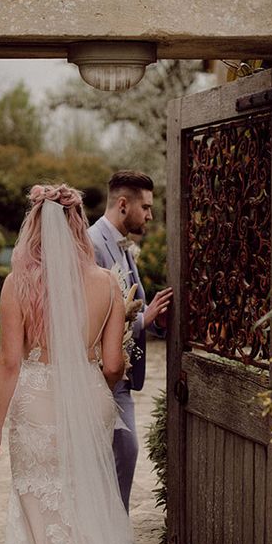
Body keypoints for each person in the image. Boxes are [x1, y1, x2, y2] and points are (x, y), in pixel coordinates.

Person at [0, 183, 162, 544]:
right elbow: (114, 364)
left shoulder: (17, 284)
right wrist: (93, 386)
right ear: (78, 224)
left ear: (34, 227)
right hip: (92, 401)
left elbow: (9, 361)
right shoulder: (107, 284)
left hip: (37, 405)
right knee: (87, 507)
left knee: (40, 519)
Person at [88, 171, 173, 512]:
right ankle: (109, 536)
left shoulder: (122, 245)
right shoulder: (92, 245)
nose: (150, 216)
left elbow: (129, 304)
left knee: (123, 453)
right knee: (119, 452)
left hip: (122, 372)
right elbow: (91, 315)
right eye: (147, 207)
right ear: (123, 205)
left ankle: (114, 535)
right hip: (102, 373)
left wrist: (156, 322)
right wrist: (144, 318)